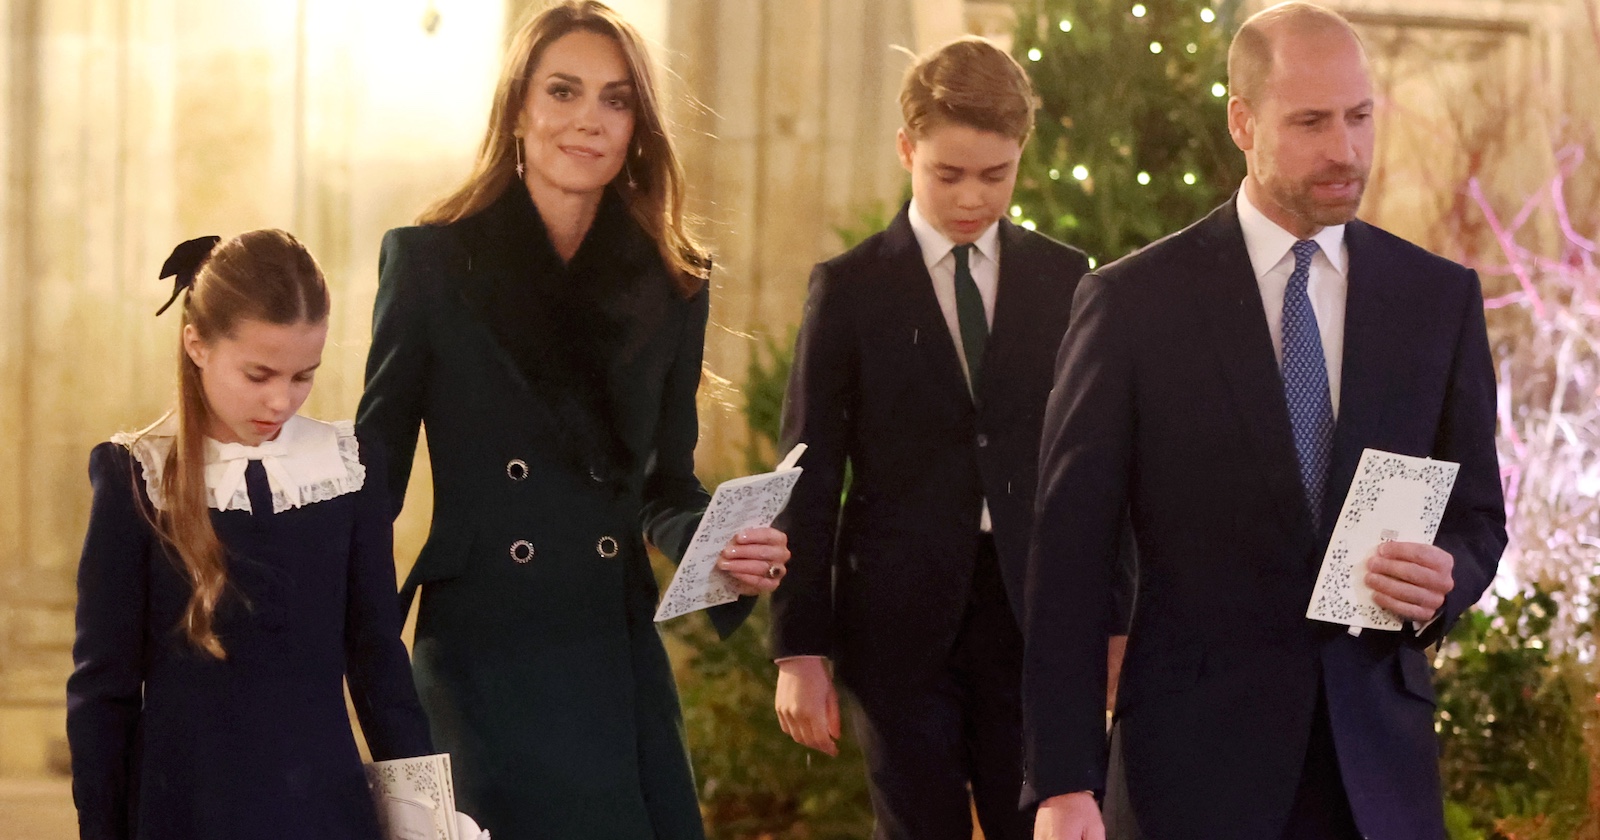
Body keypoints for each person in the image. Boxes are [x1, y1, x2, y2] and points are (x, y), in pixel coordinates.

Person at [1022, 4, 1506, 840]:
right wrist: (1065, 783)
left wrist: (1447, 580)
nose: (1345, 150)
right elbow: (1069, 555)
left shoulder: (1438, 300)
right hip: (1192, 772)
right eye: (1311, 122)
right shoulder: (1133, 304)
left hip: (1378, 776)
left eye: (1359, 118)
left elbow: (1479, 518)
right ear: (1242, 122)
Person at [354, 2, 789, 838]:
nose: (588, 119)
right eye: (564, 91)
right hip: (479, 648)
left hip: (606, 642)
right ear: (519, 107)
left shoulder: (673, 284)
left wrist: (724, 546)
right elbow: (377, 478)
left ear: (637, 128)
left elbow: (663, 485)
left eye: (616, 99)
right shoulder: (432, 263)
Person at [770, 36, 1131, 840]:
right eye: (947, 173)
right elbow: (809, 469)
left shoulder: (1068, 280)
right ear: (907, 149)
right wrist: (798, 649)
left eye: (995, 175)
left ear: (1021, 157)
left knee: (1035, 817)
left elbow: (1104, 468)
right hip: (896, 622)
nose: (972, 197)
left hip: (1034, 614)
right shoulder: (850, 288)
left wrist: (1115, 617)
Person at [66, 230, 434, 840]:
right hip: (184, 809)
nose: (280, 399)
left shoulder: (347, 466)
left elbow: (378, 661)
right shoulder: (137, 475)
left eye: (303, 377)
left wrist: (428, 816)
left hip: (323, 809)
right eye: (259, 374)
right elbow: (102, 690)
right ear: (197, 345)